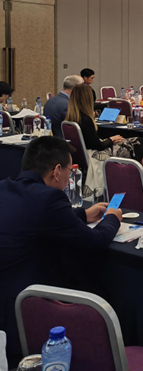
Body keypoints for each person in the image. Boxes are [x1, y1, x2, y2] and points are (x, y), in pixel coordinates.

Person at [0, 137, 122, 363]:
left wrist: (83, 214)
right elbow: (94, 241)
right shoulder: (50, 198)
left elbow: (35, 218)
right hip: (24, 306)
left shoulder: (5, 187)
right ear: (56, 171)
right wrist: (112, 218)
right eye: (68, 171)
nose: (68, 178)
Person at [65, 84, 143, 179]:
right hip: (95, 154)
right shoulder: (86, 120)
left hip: (85, 154)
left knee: (131, 142)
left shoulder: (71, 119)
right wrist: (111, 139)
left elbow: (91, 141)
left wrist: (109, 140)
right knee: (139, 142)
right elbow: (98, 146)